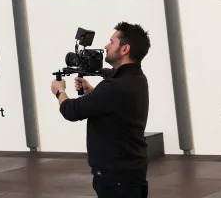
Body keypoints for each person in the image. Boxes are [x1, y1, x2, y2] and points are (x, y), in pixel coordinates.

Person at [50, 22, 150, 198]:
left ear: (125, 49)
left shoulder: (115, 87)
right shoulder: (136, 78)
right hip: (128, 174)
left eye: (111, 42)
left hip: (116, 179)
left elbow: (71, 111)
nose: (106, 46)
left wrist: (60, 91)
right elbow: (116, 106)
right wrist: (94, 92)